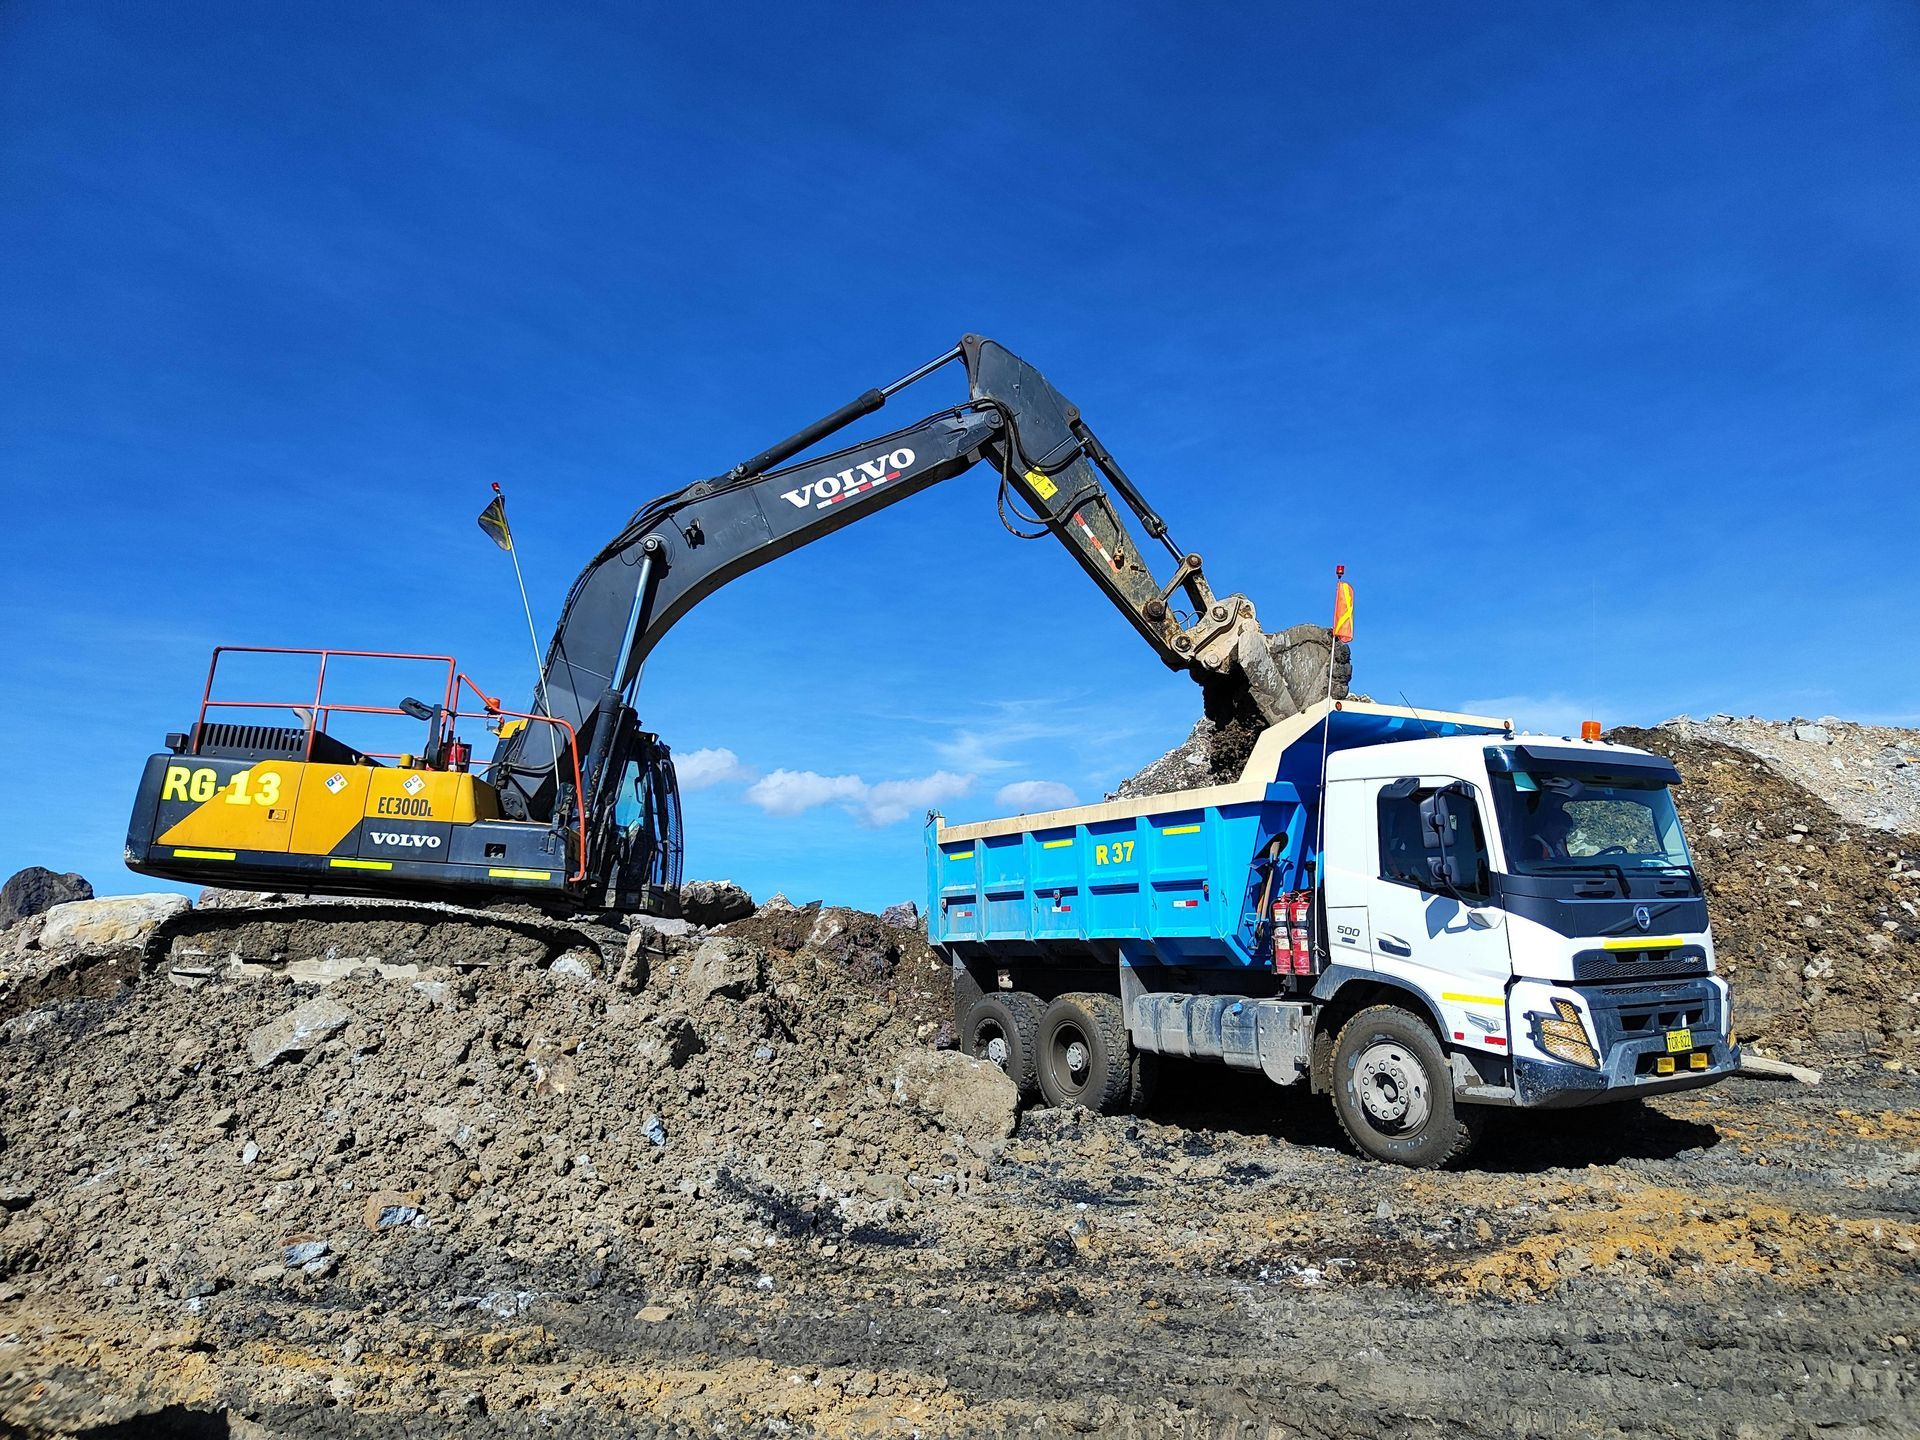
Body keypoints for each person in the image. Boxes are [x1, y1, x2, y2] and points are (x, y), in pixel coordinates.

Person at [1523, 795, 1574, 862]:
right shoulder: (1534, 845)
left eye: (1565, 833)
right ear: (1549, 825)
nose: (1562, 836)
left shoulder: (1559, 844)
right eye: (1561, 832)